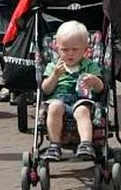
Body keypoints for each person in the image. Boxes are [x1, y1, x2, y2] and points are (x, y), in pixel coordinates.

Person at [41, 20, 106, 162]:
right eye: (65, 50)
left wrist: (95, 81)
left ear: (85, 49)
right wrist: (55, 76)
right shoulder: (54, 66)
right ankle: (54, 145)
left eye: (75, 50)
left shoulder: (90, 66)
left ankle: (85, 144)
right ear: (57, 48)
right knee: (54, 107)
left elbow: (101, 89)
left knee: (82, 110)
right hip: (59, 98)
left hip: (82, 99)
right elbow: (46, 89)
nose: (70, 53)